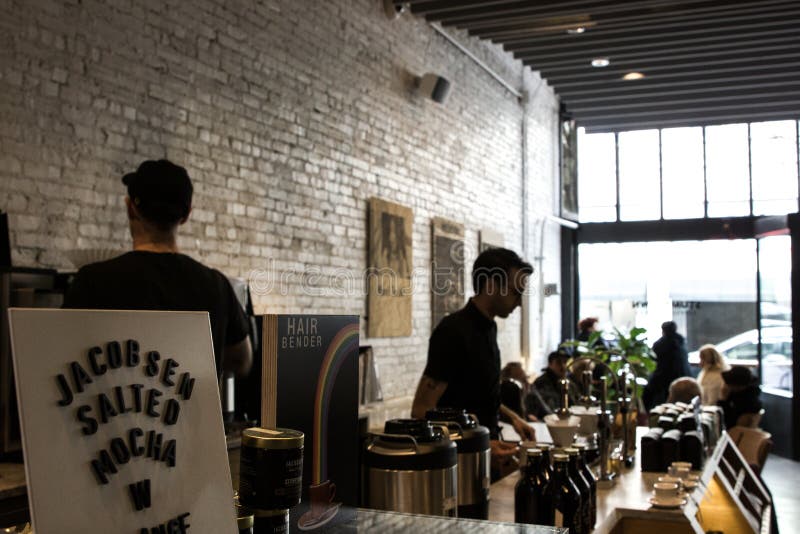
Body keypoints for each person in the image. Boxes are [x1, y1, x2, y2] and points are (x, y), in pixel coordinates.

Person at [63, 159, 252, 380]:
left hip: (115, 410)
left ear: (131, 208)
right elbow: (242, 361)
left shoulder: (92, 280)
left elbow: (62, 356)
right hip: (194, 413)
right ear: (187, 215)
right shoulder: (216, 285)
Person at [411, 248, 535, 475]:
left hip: (488, 457)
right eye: (515, 292)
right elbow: (421, 411)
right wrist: (480, 446)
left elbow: (479, 394)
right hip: (460, 467)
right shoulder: (452, 331)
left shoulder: (490, 327)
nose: (519, 303)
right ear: (490, 286)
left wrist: (514, 418)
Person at [643, 321, 691, 410]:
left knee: (647, 394)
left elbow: (654, 360)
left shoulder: (660, 344)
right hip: (683, 376)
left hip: (664, 378)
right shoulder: (681, 342)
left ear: (663, 330)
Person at [525, 351, 579, 420]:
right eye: (558, 363)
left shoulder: (569, 383)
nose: (563, 366)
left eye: (565, 362)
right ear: (550, 364)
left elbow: (576, 404)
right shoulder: (541, 383)